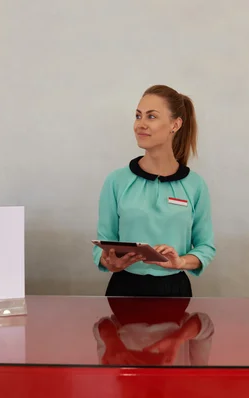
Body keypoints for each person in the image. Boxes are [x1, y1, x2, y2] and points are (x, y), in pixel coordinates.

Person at [92, 84, 216, 297]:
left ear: (175, 125)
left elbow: (205, 247)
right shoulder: (116, 181)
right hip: (123, 290)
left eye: (151, 117)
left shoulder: (195, 186)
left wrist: (180, 262)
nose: (140, 124)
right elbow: (103, 242)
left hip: (175, 291)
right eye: (138, 116)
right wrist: (110, 262)